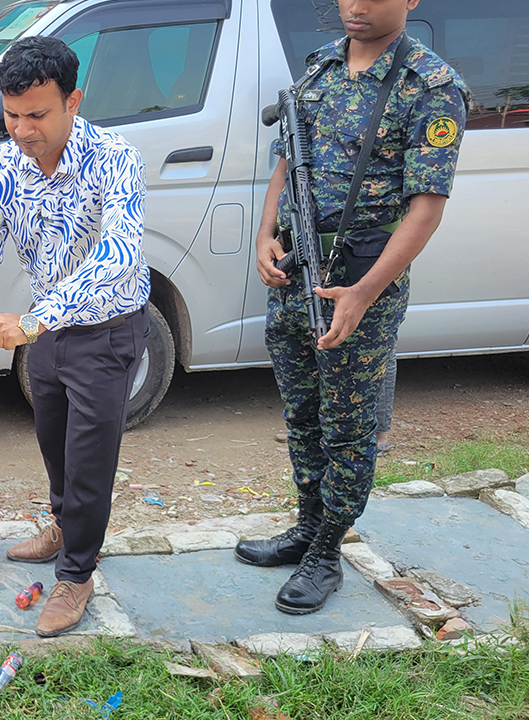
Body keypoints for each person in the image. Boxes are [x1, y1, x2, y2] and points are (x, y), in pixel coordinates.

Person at [237, 0, 467, 615]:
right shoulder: (320, 67)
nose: (355, 5)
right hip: (296, 274)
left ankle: (327, 551)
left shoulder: (429, 85)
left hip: (361, 281)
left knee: (349, 425)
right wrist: (265, 234)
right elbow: (286, 160)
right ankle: (307, 526)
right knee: (303, 414)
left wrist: (364, 293)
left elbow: (426, 207)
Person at [0, 36, 150, 637]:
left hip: (105, 329)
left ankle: (77, 574)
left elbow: (119, 255)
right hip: (44, 334)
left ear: (73, 101)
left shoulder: (115, 158)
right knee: (54, 441)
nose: (21, 130)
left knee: (89, 456)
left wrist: (34, 320)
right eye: (12, 115)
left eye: (36, 115)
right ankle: (64, 527)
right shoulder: (4, 165)